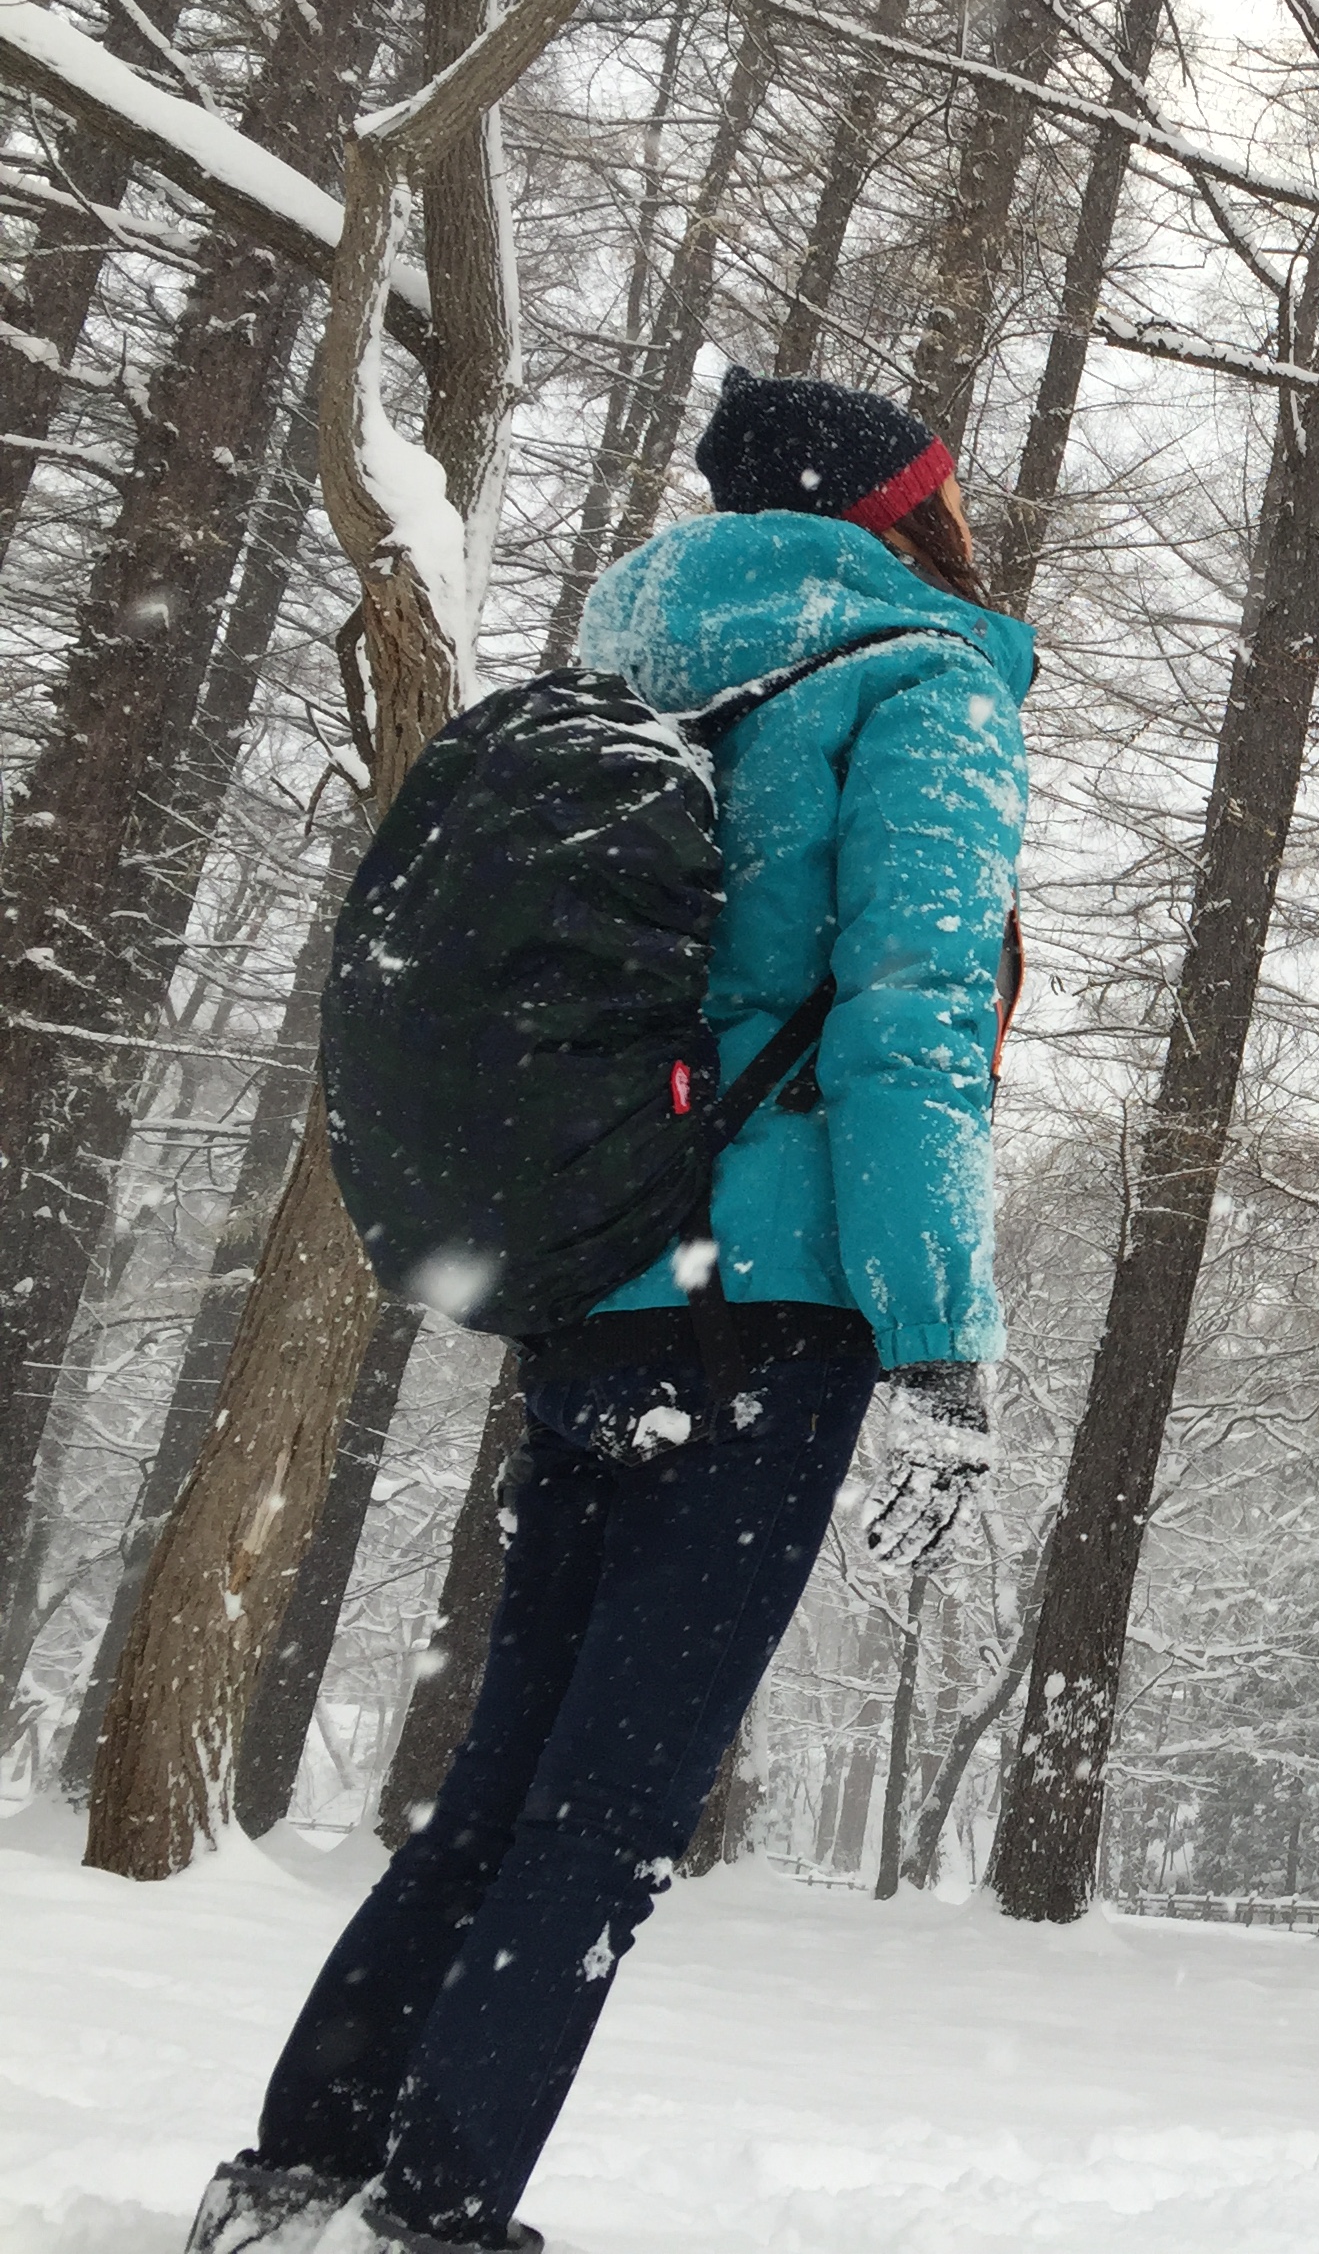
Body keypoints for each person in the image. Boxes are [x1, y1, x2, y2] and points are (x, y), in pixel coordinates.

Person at [186, 371, 1034, 2254]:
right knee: (613, 1810)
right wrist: (936, 1332)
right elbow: (912, 1024)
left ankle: (292, 2175)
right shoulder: (923, 683)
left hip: (598, 1284)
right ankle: (438, 2213)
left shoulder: (637, 665)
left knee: (500, 1782)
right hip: (782, 1312)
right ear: (906, 509)